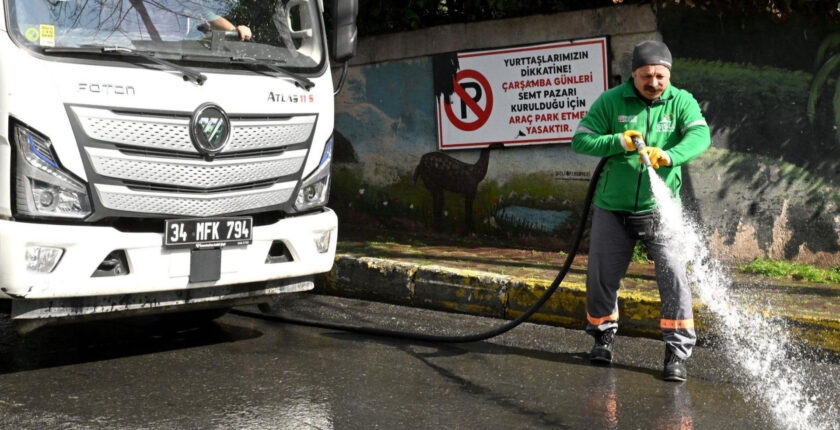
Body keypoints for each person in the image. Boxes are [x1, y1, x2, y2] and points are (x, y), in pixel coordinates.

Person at [570, 40, 711, 381]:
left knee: (674, 278)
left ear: (669, 75)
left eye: (660, 76)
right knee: (601, 277)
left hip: (661, 211)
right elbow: (581, 140)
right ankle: (602, 337)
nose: (654, 83)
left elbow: (700, 135)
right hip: (612, 209)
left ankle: (676, 353)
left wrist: (671, 156)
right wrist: (616, 141)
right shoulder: (611, 101)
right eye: (646, 75)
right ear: (632, 74)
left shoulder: (681, 102)